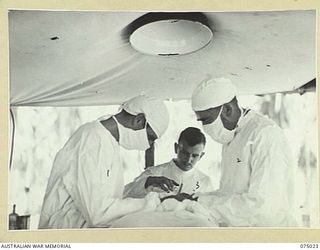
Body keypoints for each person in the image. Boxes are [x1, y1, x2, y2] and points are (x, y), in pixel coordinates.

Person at [38, 95, 169, 229]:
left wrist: (143, 186)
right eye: (151, 138)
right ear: (139, 120)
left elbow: (110, 200)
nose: (149, 144)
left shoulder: (108, 141)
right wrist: (153, 204)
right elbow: (98, 213)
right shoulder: (92, 138)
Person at [191, 77, 296, 227]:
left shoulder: (264, 134)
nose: (204, 126)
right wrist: (194, 198)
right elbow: (228, 194)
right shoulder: (231, 136)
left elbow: (262, 206)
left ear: (227, 110)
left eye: (206, 120)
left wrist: (201, 203)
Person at [123, 127, 214, 201]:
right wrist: (148, 182)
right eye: (185, 153)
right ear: (176, 148)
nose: (188, 159)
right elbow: (125, 195)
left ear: (201, 156)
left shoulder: (205, 182)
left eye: (194, 156)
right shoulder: (153, 173)